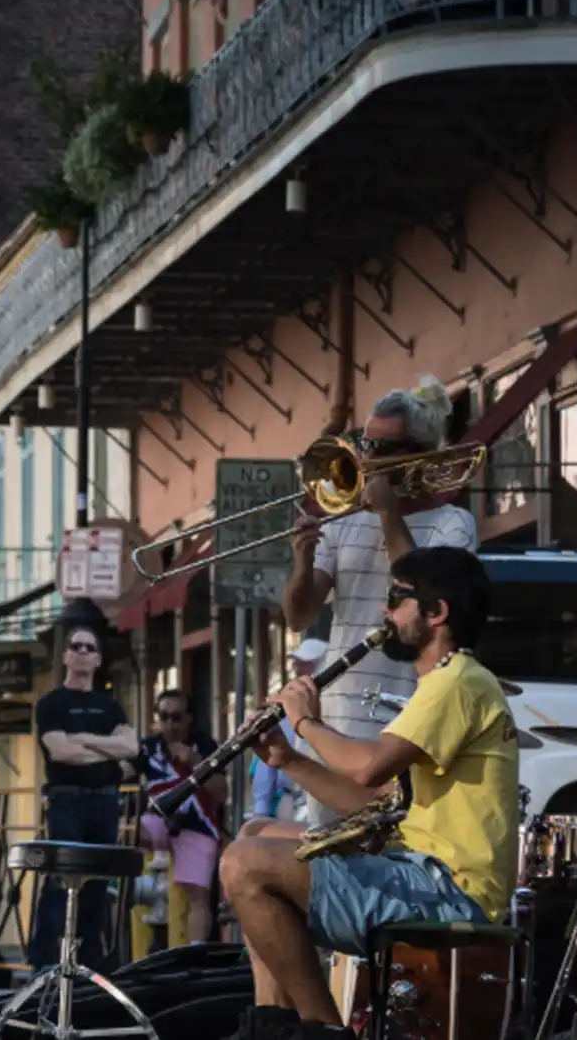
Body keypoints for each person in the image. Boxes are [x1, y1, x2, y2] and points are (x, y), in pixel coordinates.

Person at [222, 545, 519, 1039]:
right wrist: (287, 760)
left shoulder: (460, 682)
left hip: (449, 890)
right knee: (256, 831)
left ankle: (321, 1030)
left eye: (396, 598)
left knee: (245, 862)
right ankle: (269, 1022)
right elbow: (376, 803)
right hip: (419, 868)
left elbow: (367, 767)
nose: (384, 611)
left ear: (436, 612)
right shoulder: (440, 686)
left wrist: (305, 721)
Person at [281, 376, 478, 825]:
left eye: (384, 449)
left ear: (423, 454)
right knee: (326, 850)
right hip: (336, 713)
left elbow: (425, 592)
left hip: (406, 713)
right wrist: (301, 561)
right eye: (365, 444)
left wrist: (389, 511)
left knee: (390, 846)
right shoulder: (343, 522)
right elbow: (299, 614)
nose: (367, 460)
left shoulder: (454, 523)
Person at [28, 626, 139, 971]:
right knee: (61, 878)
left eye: (88, 647)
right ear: (64, 656)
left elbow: (131, 749)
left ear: (98, 658)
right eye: (75, 646)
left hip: (105, 803)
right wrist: (106, 750)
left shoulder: (110, 707)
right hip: (67, 802)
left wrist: (83, 740)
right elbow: (60, 751)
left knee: (97, 883)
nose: (81, 652)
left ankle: (89, 964)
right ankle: (46, 962)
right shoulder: (52, 704)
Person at [132, 690, 226, 944]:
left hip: (198, 824)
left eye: (176, 717)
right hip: (157, 820)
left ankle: (194, 954)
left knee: (199, 893)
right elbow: (122, 775)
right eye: (163, 717)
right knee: (131, 837)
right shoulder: (148, 746)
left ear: (189, 719)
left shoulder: (206, 746)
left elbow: (221, 793)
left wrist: (196, 762)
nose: (170, 724)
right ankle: (138, 952)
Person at [250, 640, 326, 822]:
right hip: (292, 799)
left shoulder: (336, 707)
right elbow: (267, 764)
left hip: (329, 797)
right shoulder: (285, 709)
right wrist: (261, 811)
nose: (298, 670)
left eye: (306, 664)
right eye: (297, 664)